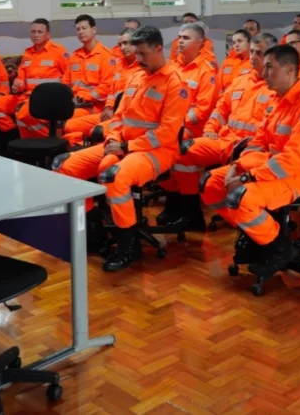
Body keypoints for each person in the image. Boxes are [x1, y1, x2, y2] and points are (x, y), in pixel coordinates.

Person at [53, 26, 188, 272]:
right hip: (122, 145)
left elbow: (166, 134)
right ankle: (92, 232)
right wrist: (114, 140)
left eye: (143, 54)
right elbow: (118, 116)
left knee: (113, 176)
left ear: (159, 48)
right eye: (136, 54)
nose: (138, 59)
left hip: (157, 151)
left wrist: (126, 146)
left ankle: (129, 245)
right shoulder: (136, 76)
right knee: (63, 165)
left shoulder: (175, 83)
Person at [200, 44, 300, 277]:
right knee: (210, 184)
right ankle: (256, 234)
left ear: (290, 70)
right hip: (269, 170)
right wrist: (237, 167)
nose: (263, 72)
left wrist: (248, 177)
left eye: (270, 67)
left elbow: (291, 161)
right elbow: (258, 143)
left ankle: (279, 248)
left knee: (242, 198)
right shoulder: (277, 102)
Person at [161, 34, 277, 231]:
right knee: (183, 152)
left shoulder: (276, 87)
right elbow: (220, 110)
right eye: (252, 52)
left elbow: (270, 131)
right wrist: (209, 129)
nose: (253, 56)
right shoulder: (241, 80)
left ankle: (248, 222)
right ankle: (192, 215)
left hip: (249, 149)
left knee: (214, 179)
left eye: (259, 52)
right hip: (224, 141)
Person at [63, 28, 139, 145]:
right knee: (70, 126)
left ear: (136, 43)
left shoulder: (143, 67)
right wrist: (108, 107)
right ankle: (83, 143)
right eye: (120, 44)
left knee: (97, 131)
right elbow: (112, 91)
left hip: (126, 117)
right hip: (109, 112)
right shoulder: (118, 64)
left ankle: (89, 142)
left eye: (126, 43)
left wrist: (114, 111)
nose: (123, 47)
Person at [13, 18, 70, 135]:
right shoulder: (28, 53)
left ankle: (54, 140)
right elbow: (21, 74)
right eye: (33, 32)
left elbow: (69, 76)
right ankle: (29, 147)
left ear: (48, 35)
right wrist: (17, 83)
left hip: (50, 97)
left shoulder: (59, 51)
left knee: (23, 113)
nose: (36, 35)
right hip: (28, 95)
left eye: (40, 32)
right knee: (17, 115)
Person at [174, 22, 220, 139]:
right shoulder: (172, 67)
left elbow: (203, 109)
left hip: (191, 129)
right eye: (179, 37)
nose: (180, 41)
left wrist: (178, 121)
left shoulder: (206, 72)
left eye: (186, 38)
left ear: (200, 42)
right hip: (171, 123)